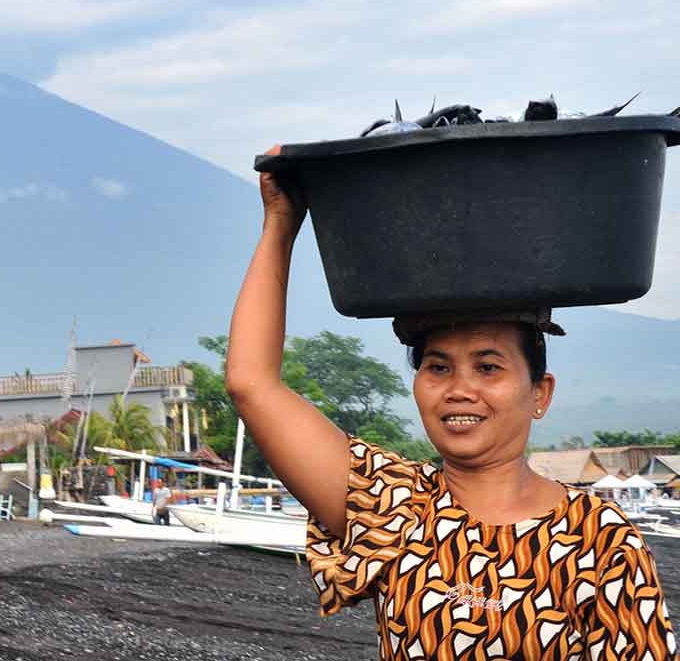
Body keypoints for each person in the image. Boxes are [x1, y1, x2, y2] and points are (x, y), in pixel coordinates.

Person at [223, 146, 678, 660]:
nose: (460, 388)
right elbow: (251, 384)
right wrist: (281, 221)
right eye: (437, 367)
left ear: (539, 394)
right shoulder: (390, 505)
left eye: (488, 367)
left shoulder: (600, 541)